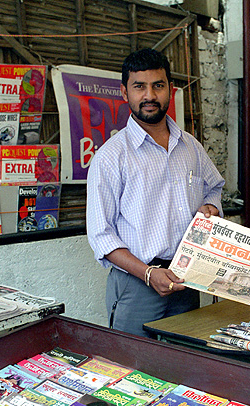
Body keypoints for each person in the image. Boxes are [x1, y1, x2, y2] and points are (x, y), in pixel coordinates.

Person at [87, 48, 225, 336]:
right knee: (133, 369)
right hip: (137, 285)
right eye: (139, 86)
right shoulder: (111, 157)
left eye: (158, 86)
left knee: (185, 364)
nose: (149, 95)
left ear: (170, 90)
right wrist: (148, 274)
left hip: (187, 280)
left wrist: (210, 207)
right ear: (124, 92)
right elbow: (101, 235)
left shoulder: (190, 147)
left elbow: (214, 187)